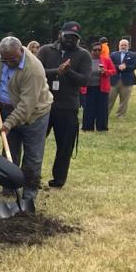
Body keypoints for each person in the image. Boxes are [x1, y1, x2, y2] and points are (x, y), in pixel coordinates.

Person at [0, 36, 52, 213]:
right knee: (10, 152)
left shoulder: (34, 69)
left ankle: (29, 195)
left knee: (33, 156)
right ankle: (9, 188)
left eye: (13, 60)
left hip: (35, 114)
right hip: (7, 109)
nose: (8, 63)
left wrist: (7, 124)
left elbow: (26, 106)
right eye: (4, 60)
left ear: (21, 51)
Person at [37, 21, 91, 189]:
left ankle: (58, 180)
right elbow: (36, 73)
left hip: (68, 106)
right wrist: (56, 72)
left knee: (65, 146)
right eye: (68, 36)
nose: (70, 40)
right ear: (61, 34)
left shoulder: (83, 55)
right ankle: (32, 177)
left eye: (74, 38)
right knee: (36, 144)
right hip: (43, 105)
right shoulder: (45, 50)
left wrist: (69, 72)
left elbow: (85, 80)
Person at [80, 42, 116, 131]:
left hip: (102, 88)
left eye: (99, 50)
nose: (97, 52)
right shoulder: (86, 60)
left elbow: (113, 71)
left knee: (102, 108)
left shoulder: (106, 60)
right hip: (89, 88)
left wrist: (105, 71)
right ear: (91, 50)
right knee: (89, 108)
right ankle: (88, 127)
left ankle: (102, 127)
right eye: (95, 50)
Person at [108, 39, 136, 117]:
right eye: (122, 45)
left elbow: (134, 66)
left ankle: (120, 115)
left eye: (125, 45)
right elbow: (109, 65)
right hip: (114, 80)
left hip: (127, 81)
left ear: (128, 46)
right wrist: (118, 67)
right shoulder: (113, 54)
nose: (123, 47)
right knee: (109, 99)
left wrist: (125, 67)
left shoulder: (132, 55)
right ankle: (105, 114)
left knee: (124, 100)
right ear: (119, 46)